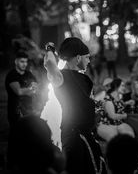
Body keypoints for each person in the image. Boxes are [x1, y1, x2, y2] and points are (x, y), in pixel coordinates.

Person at [44, 37, 107, 174]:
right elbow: (49, 62)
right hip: (73, 136)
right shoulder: (61, 78)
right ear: (78, 58)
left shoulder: (84, 78)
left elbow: (84, 100)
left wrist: (97, 104)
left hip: (88, 134)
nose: (89, 61)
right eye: (87, 57)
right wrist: (50, 49)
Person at [5, 50, 38, 169]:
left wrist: (28, 90)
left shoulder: (29, 74)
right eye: (21, 61)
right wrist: (29, 90)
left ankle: (26, 163)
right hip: (15, 111)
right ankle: (11, 164)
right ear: (16, 61)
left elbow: (36, 88)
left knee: (29, 137)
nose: (24, 64)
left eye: (26, 62)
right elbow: (18, 91)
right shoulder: (12, 75)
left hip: (29, 111)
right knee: (15, 138)